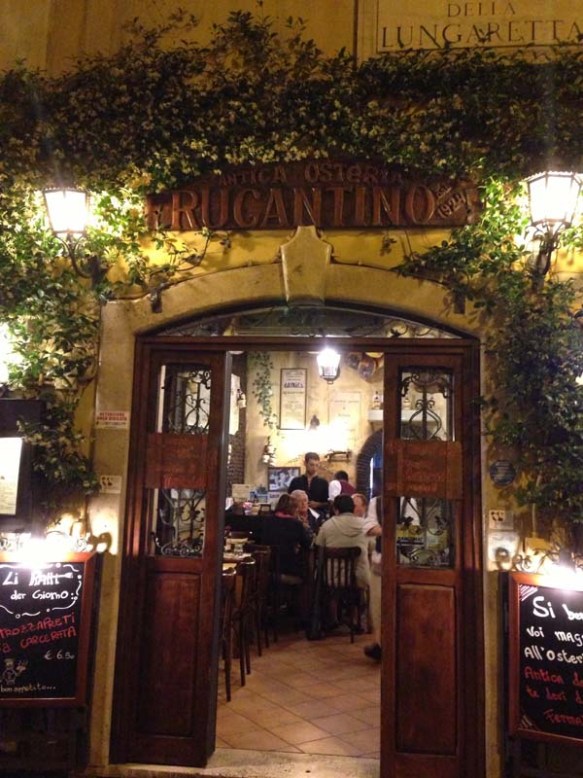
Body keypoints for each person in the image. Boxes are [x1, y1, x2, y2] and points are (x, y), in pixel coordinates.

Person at [315, 494, 370, 589]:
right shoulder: (365, 525)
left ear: (336, 509)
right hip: (359, 579)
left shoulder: (327, 525)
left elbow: (318, 546)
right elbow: (372, 547)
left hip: (332, 579)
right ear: (353, 508)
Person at [261, 494, 313, 584]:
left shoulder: (267, 521)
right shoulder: (296, 524)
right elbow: (307, 544)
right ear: (293, 509)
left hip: (268, 569)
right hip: (291, 570)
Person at [288, 452, 330, 528]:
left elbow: (328, 503)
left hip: (317, 518)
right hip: (297, 518)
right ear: (305, 463)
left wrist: (318, 504)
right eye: (311, 465)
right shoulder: (296, 481)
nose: (314, 468)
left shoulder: (323, 483)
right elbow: (289, 500)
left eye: (317, 465)